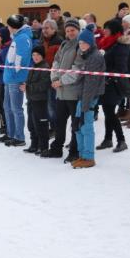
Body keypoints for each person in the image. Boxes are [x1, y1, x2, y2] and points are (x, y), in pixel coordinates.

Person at [41, 18, 81, 162]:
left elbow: (78, 69)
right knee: (59, 122)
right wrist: (54, 78)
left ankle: (74, 151)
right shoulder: (64, 44)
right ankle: (57, 148)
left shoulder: (80, 46)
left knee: (76, 125)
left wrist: (61, 81)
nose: (70, 33)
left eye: (73, 30)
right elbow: (56, 62)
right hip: (61, 92)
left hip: (74, 92)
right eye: (68, 30)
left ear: (78, 31)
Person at [71, 24, 106, 168]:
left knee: (86, 126)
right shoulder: (86, 55)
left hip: (89, 98)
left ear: (91, 43)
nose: (82, 45)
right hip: (82, 96)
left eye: (84, 42)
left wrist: (86, 103)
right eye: (80, 42)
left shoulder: (95, 57)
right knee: (78, 126)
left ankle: (88, 157)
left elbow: (91, 83)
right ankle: (82, 154)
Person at [96, 19, 130, 153]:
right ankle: (108, 139)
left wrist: (109, 76)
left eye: (107, 28)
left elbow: (121, 67)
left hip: (114, 84)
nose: (104, 31)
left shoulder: (120, 46)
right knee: (107, 111)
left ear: (114, 30)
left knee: (109, 112)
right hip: (106, 82)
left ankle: (121, 140)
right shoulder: (107, 43)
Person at [0, 15, 31, 146]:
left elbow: (20, 59)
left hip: (16, 78)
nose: (8, 28)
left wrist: (12, 71)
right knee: (7, 107)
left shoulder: (23, 38)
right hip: (9, 78)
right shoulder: (17, 37)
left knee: (16, 109)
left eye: (9, 25)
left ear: (14, 26)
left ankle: (19, 137)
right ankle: (10, 133)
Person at [22, 45, 50, 154]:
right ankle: (34, 144)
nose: (35, 57)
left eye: (38, 55)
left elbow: (44, 85)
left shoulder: (45, 67)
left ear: (42, 55)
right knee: (31, 124)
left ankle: (43, 146)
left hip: (40, 100)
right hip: (31, 99)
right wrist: (26, 85)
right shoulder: (33, 66)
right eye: (33, 55)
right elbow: (30, 82)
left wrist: (28, 87)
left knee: (41, 124)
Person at [40, 19, 64, 137]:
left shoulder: (58, 42)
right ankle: (49, 125)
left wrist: (55, 77)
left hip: (53, 78)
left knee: (52, 105)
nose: (44, 30)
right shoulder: (41, 40)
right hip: (42, 77)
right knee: (45, 104)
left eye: (47, 28)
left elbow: (58, 61)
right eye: (43, 28)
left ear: (54, 29)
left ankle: (55, 128)